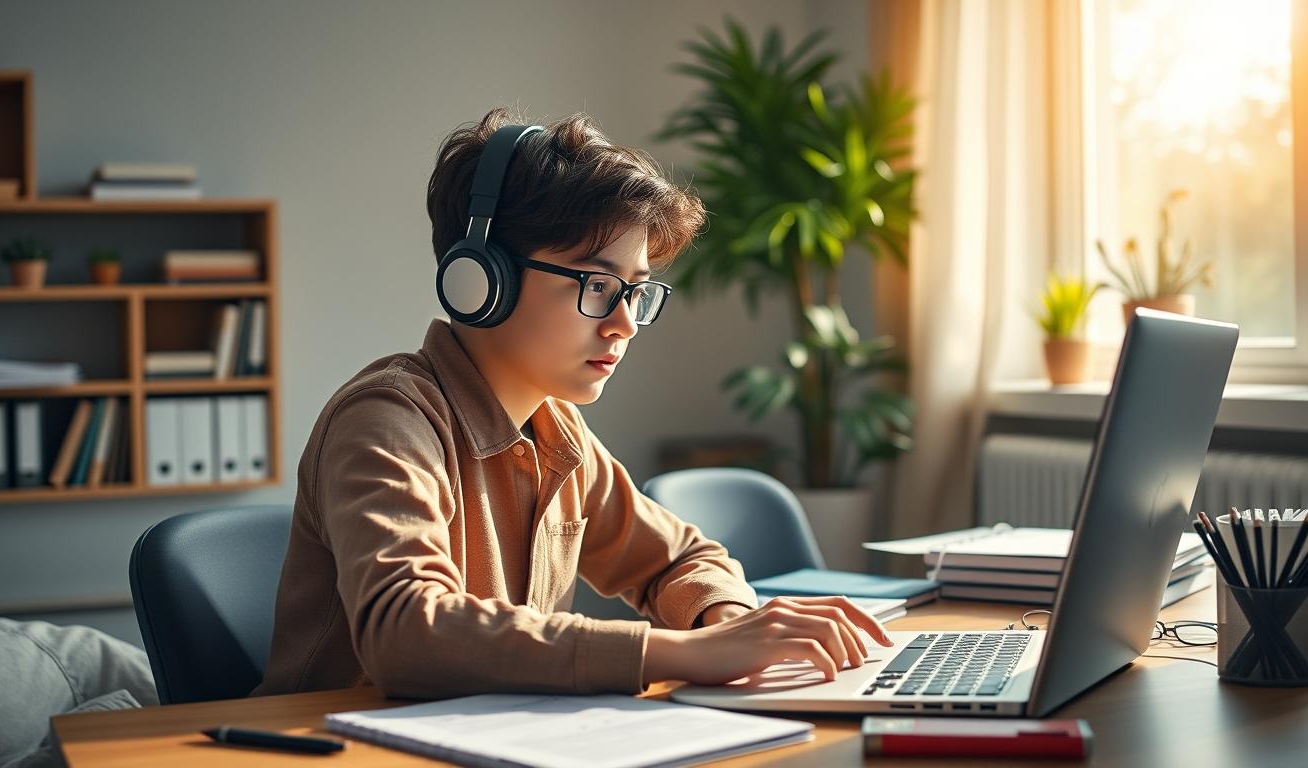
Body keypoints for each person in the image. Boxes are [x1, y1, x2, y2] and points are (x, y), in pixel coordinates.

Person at [252, 107, 891, 700]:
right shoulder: (388, 419)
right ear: (480, 278)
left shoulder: (556, 432)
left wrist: (724, 622)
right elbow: (406, 632)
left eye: (635, 291)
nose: (625, 323)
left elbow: (679, 557)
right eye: (595, 283)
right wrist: (678, 654)